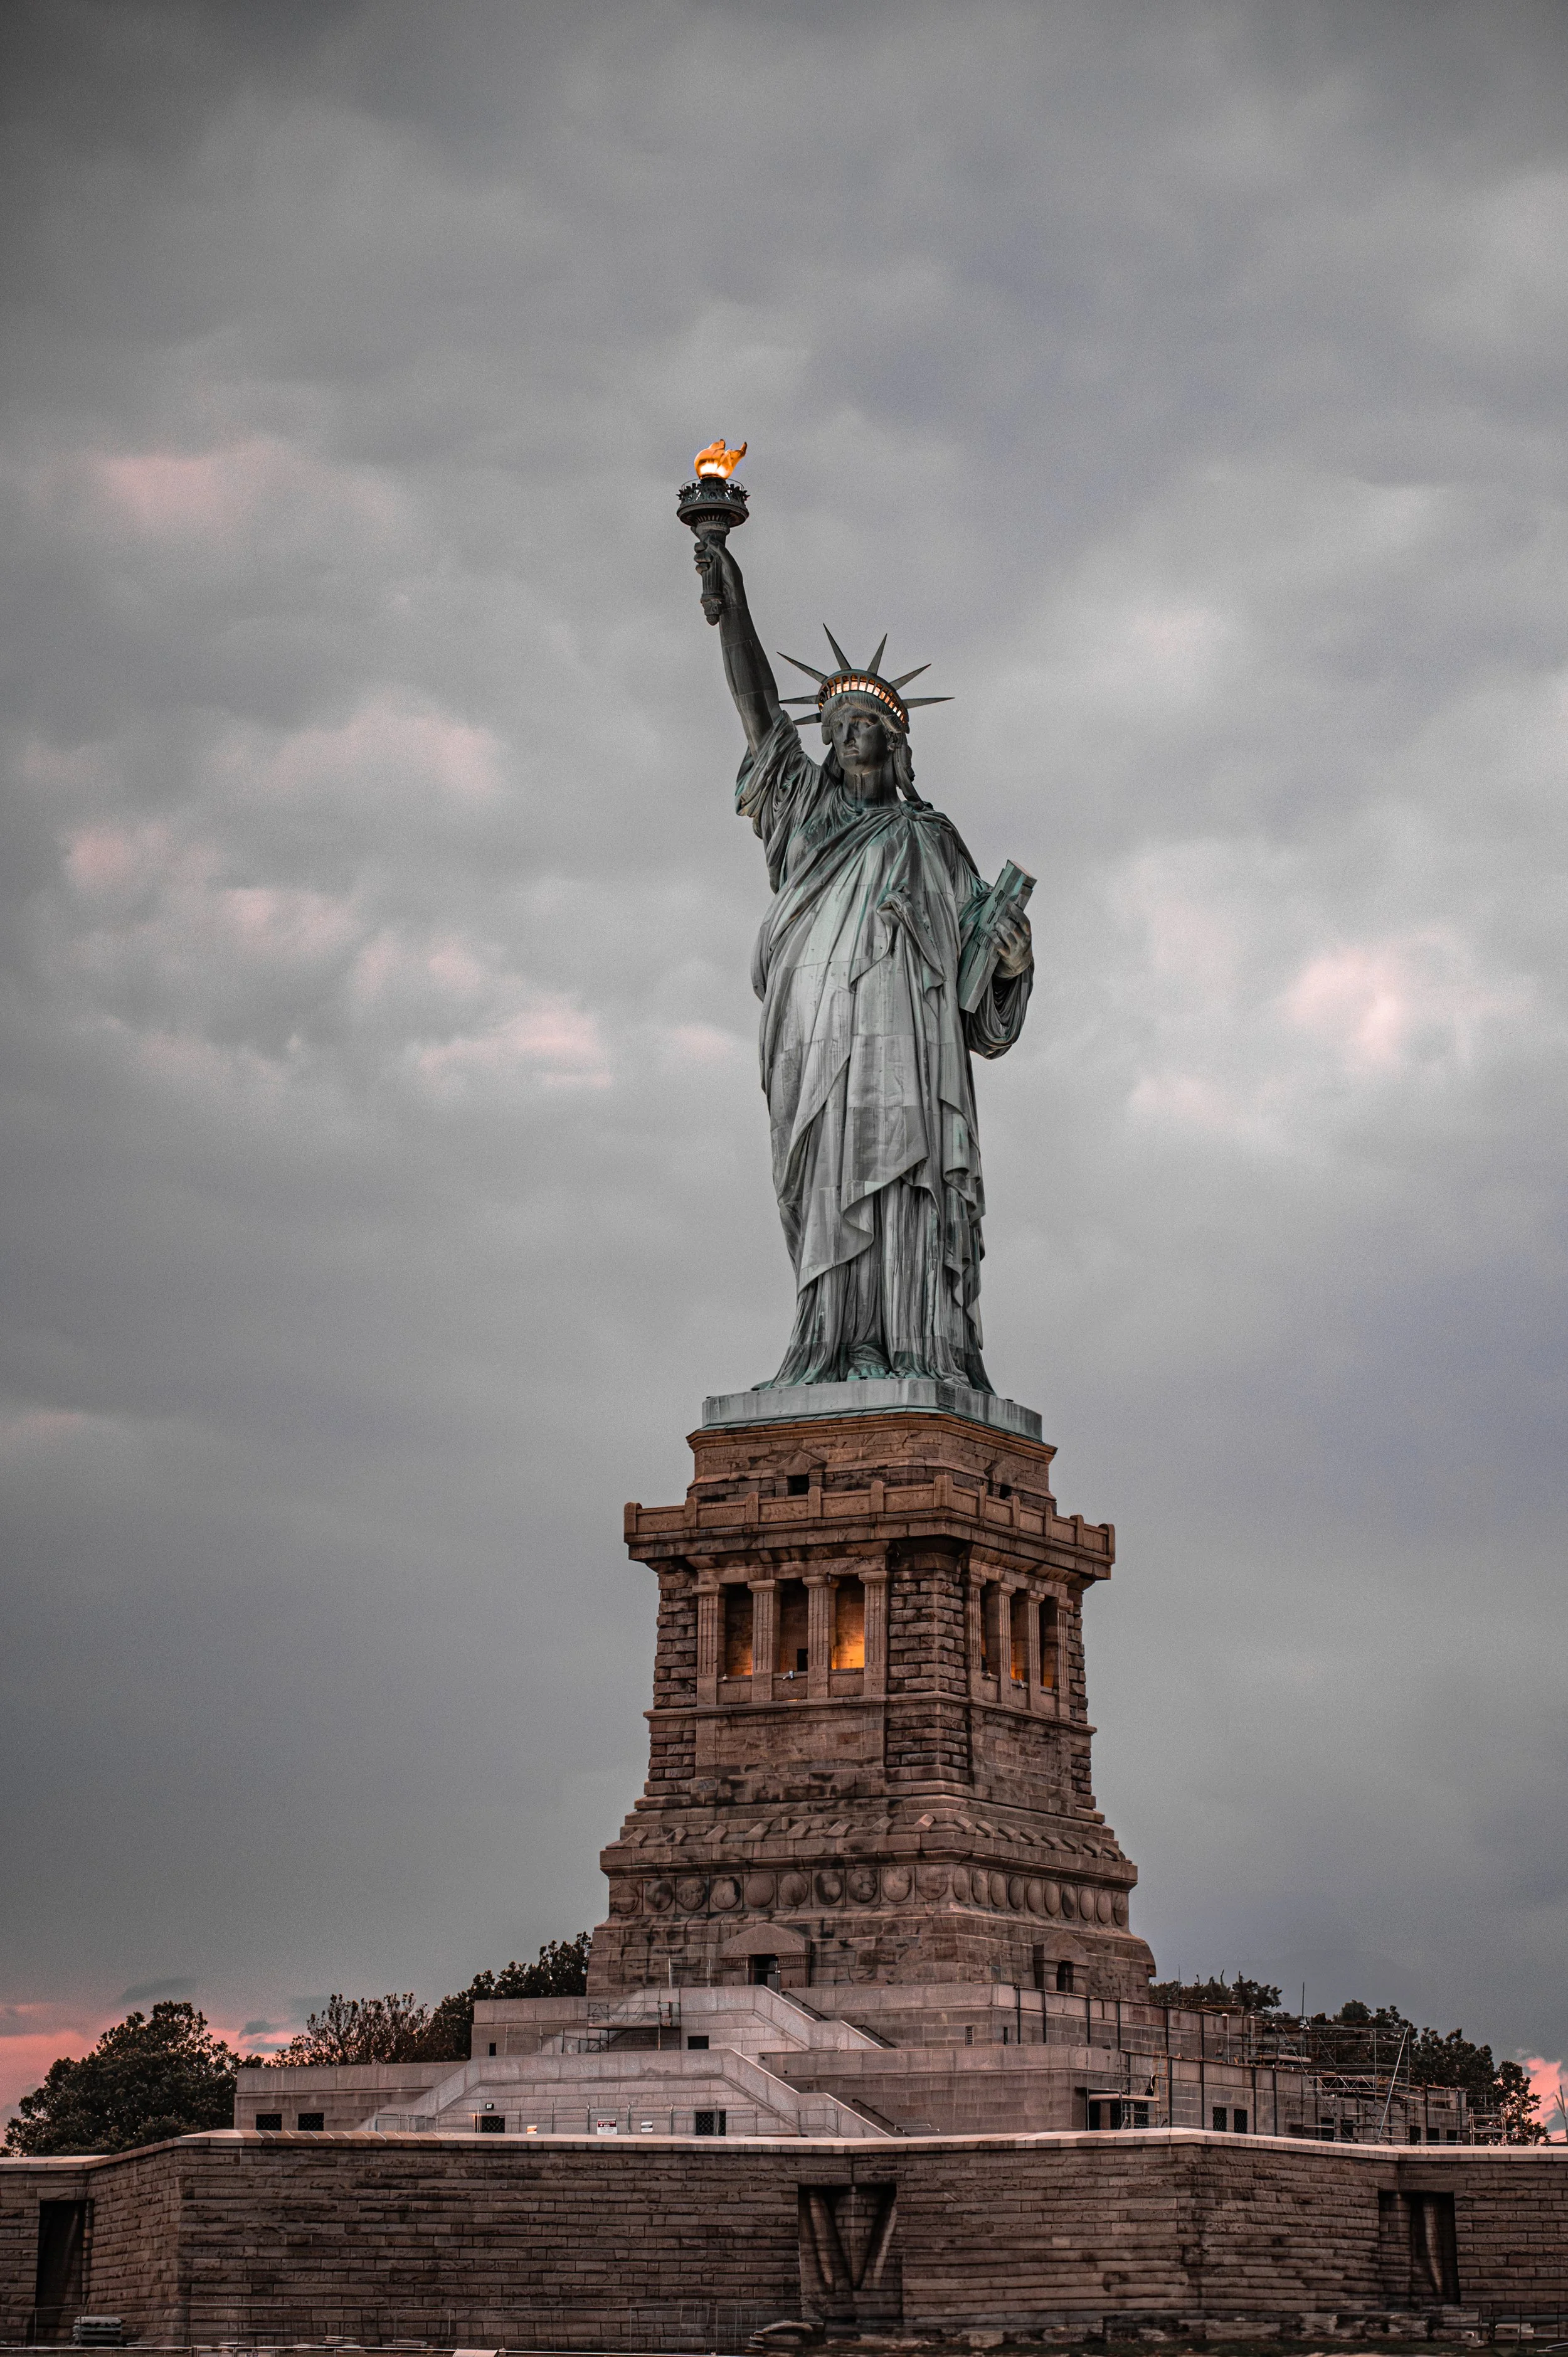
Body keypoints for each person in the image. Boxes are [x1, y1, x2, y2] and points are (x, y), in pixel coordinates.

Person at [696, 534, 1033, 1391]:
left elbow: (976, 998)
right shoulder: (802, 808)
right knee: (828, 1172)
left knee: (907, 1174)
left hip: (909, 1039)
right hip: (816, 1028)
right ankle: (833, 1342)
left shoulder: (931, 839)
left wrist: (1006, 963)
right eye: (837, 726)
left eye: (865, 727)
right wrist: (728, 588)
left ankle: (913, 1344)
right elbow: (757, 707)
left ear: (894, 743)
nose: (848, 736)